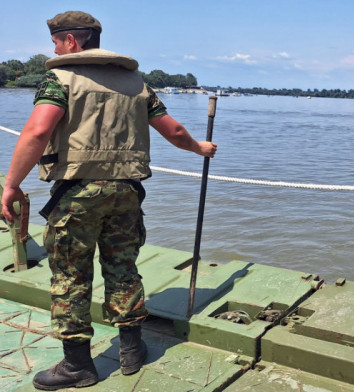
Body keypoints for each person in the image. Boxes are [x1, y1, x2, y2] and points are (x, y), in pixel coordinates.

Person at [0, 11, 217, 390]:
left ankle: (78, 366)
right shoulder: (136, 84)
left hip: (77, 195)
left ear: (71, 41)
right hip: (126, 193)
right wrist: (200, 148)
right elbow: (175, 131)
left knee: (70, 277)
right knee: (123, 266)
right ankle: (132, 351)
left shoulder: (59, 79)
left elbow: (37, 130)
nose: (53, 49)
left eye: (55, 42)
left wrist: (11, 185)